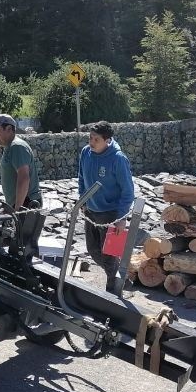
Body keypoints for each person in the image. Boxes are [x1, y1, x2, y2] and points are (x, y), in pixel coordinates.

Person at [77, 121, 135, 290]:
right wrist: (82, 200)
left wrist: (122, 218)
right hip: (90, 210)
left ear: (107, 140)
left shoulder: (118, 159)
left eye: (96, 139)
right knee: (93, 251)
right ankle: (121, 277)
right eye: (90, 138)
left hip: (110, 213)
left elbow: (128, 191)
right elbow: (81, 178)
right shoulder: (85, 153)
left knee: (109, 255)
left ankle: (113, 292)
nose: (91, 142)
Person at [0, 113, 43, 256]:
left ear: (10, 129)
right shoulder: (9, 147)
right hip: (19, 204)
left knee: (23, 249)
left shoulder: (17, 147)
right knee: (18, 247)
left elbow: (23, 178)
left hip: (27, 203)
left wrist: (17, 209)